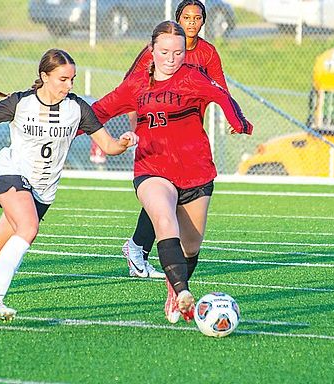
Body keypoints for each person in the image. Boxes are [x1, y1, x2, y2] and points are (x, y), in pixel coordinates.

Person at [0, 48, 138, 323]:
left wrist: (122, 142)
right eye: (63, 79)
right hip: (12, 175)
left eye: (72, 79)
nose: (69, 85)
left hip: (43, 190)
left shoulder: (77, 109)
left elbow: (108, 146)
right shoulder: (20, 103)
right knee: (28, 228)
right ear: (44, 76)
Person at [92, 20, 253, 323]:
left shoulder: (194, 78)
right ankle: (182, 292)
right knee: (165, 221)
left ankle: (173, 289)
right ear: (151, 50)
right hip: (152, 168)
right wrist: (52, 119)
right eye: (165, 51)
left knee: (191, 245)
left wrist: (240, 122)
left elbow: (222, 96)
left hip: (196, 170)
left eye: (178, 53)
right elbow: (96, 111)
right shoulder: (136, 84)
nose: (171, 58)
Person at [121, 0, 229, 281]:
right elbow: (130, 87)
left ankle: (139, 248)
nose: (192, 22)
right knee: (161, 190)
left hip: (188, 139)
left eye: (197, 17)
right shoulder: (159, 50)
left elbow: (220, 89)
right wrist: (138, 125)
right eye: (186, 17)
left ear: (204, 21)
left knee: (176, 202)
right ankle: (138, 250)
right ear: (177, 19)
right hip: (157, 133)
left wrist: (233, 117)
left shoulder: (207, 53)